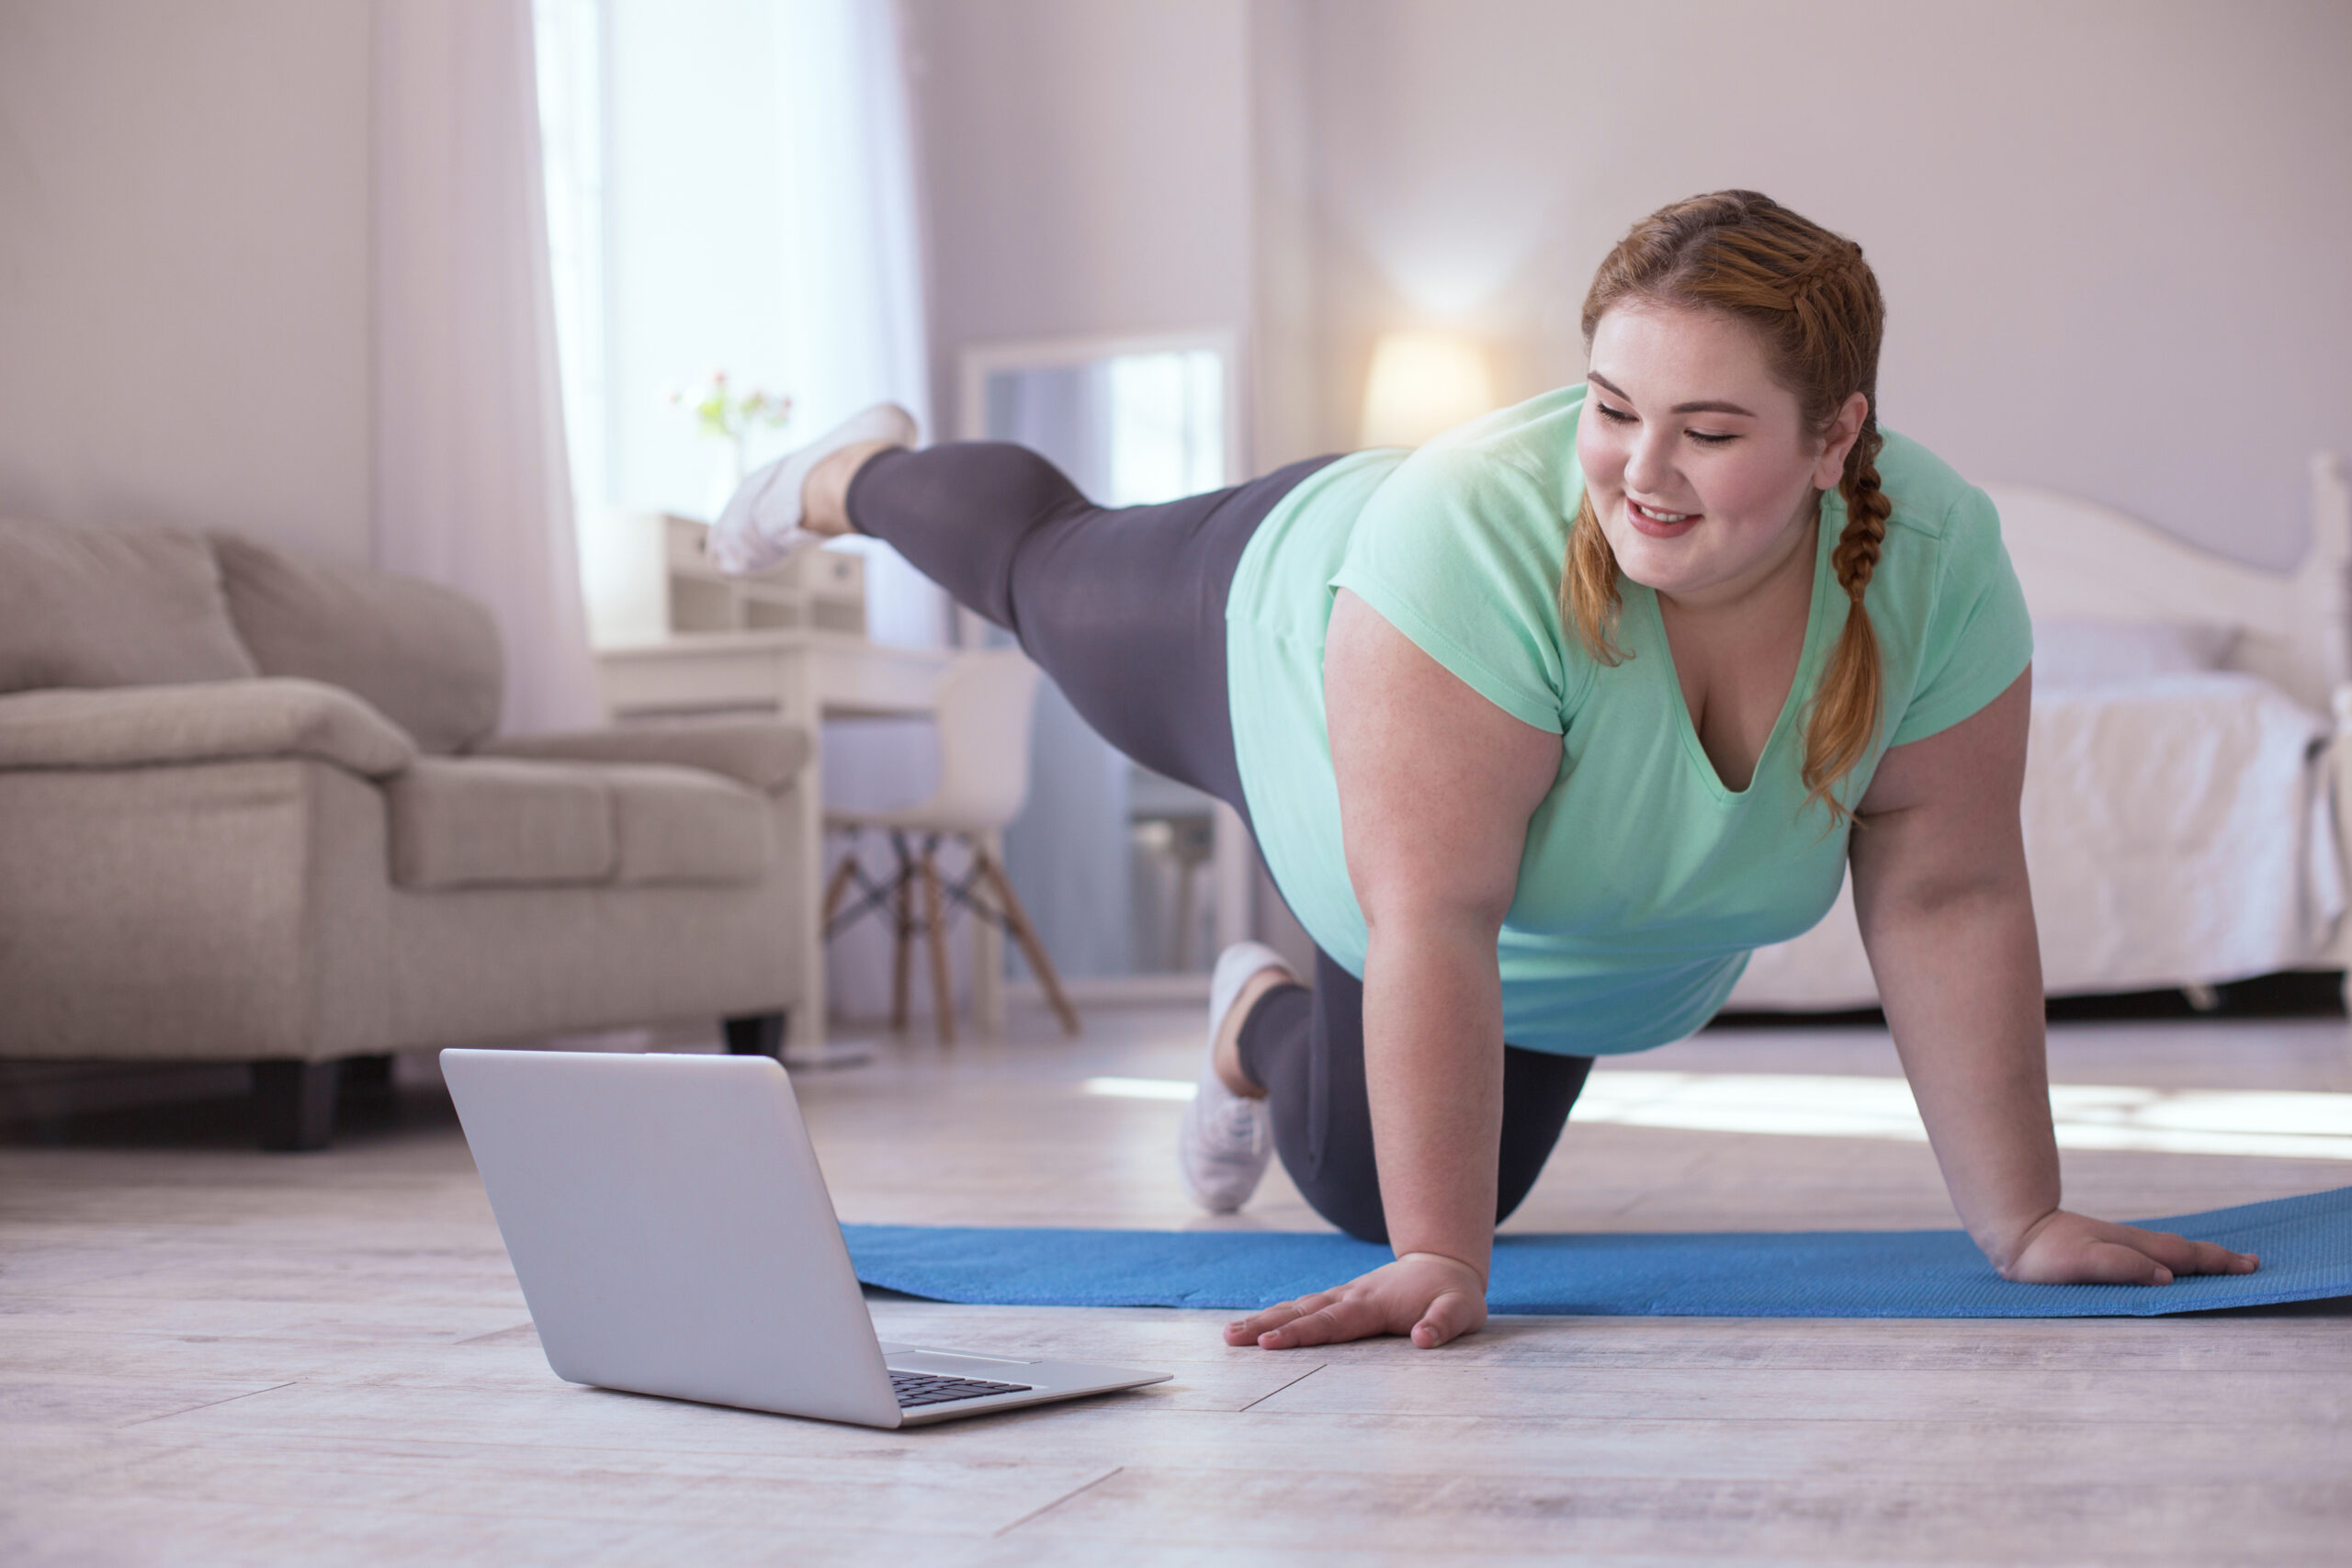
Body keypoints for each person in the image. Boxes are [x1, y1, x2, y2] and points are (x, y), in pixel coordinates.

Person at [714, 190, 2259, 1352]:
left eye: (1709, 432)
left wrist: (2023, 1220)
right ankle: (848, 473)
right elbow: (1435, 924)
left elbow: (1951, 887)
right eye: (1608, 410)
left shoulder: (1937, 568)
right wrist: (1447, 1266)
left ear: (1837, 437)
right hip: (1286, 632)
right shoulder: (1466, 535)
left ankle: (1256, 1021)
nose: (1642, 475)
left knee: (1356, 1187)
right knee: (1044, 572)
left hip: (1552, 941)